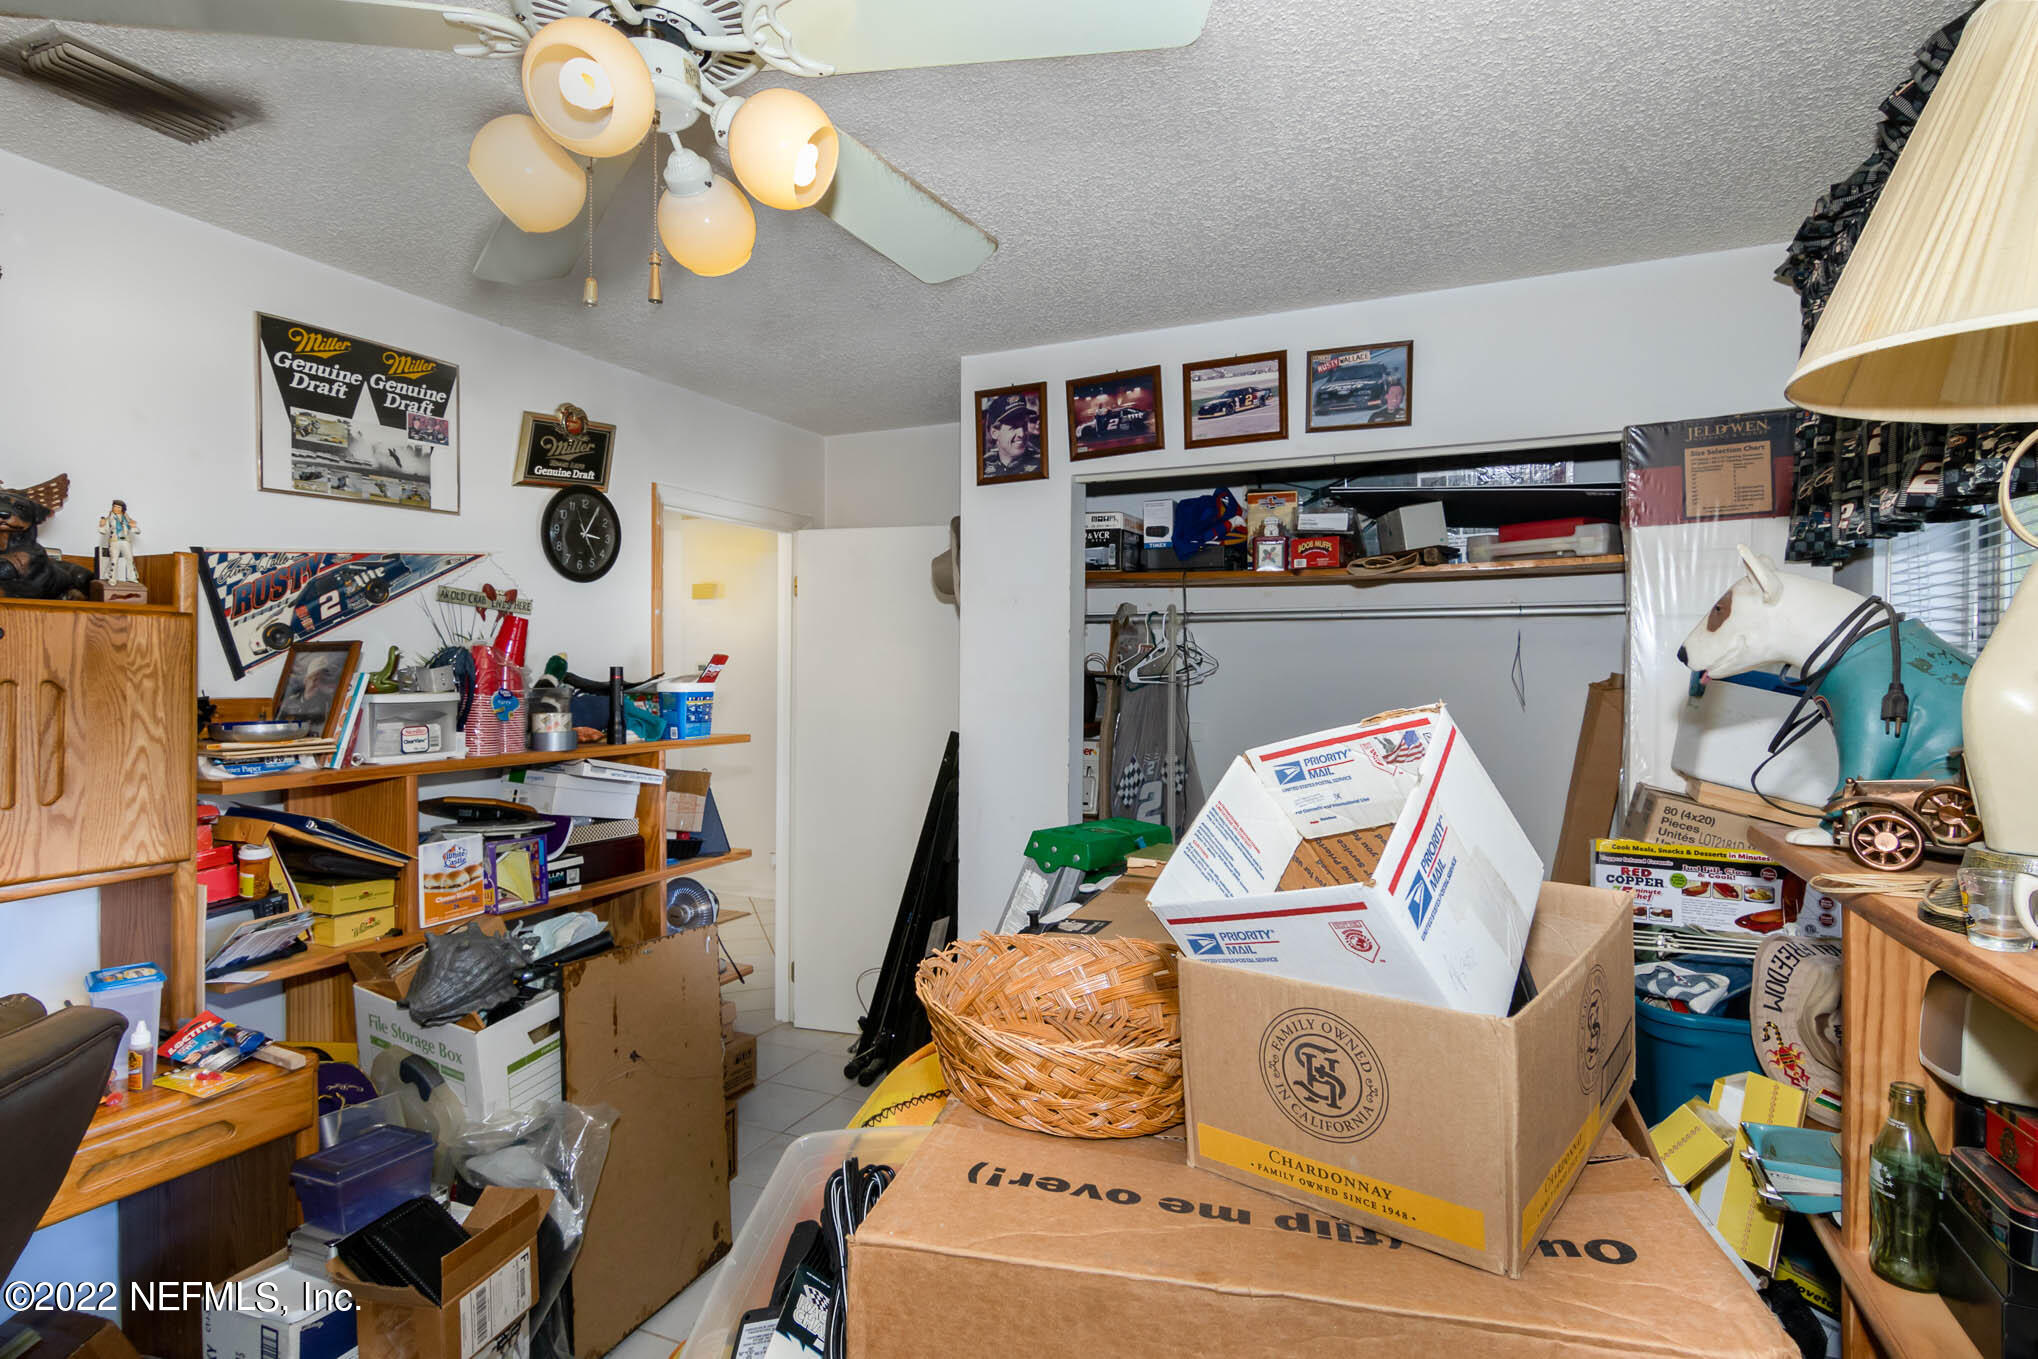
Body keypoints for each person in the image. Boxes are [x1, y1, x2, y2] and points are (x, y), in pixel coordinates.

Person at [981, 393, 1041, 478]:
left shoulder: (1041, 463)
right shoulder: (982, 466)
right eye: (1014, 427)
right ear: (994, 433)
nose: (1022, 433)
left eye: (1024, 425)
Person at [98, 499, 139, 583]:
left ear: (122, 509)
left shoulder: (127, 518)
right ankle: (112, 578)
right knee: (114, 559)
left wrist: (134, 526)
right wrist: (101, 525)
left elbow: (136, 530)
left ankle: (132, 577)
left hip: (125, 541)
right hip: (114, 541)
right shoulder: (109, 518)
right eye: (114, 507)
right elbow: (103, 530)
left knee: (129, 559)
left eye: (118, 507)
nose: (116, 509)